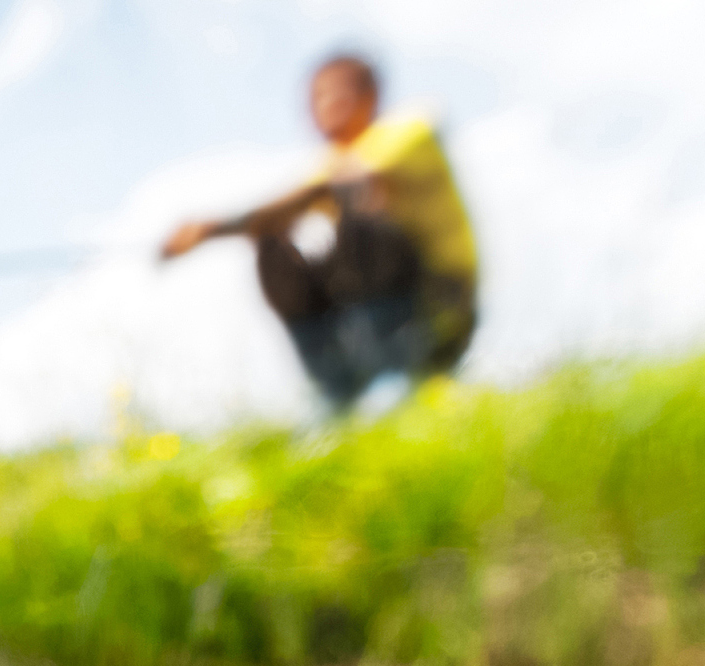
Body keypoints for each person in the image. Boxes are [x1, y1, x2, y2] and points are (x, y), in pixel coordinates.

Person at [161, 54, 478, 409]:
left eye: (334, 93)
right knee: (271, 241)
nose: (322, 107)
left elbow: (326, 188)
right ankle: (337, 391)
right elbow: (279, 212)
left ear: (370, 96)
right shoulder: (328, 165)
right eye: (315, 99)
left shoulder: (409, 130)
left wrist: (214, 228)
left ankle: (396, 371)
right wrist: (203, 234)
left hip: (441, 302)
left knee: (357, 211)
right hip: (361, 320)